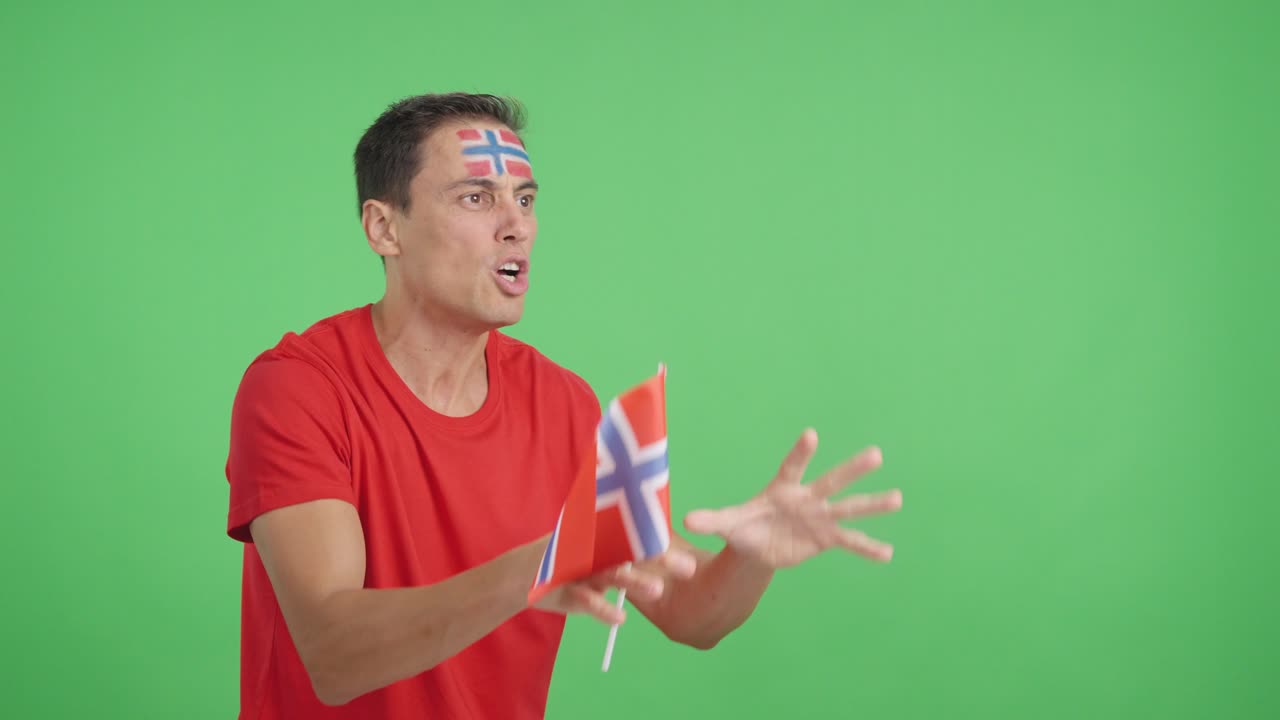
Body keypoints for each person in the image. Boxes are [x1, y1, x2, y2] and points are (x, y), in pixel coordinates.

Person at [224, 92, 903, 719]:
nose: (517, 226)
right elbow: (334, 656)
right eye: (475, 199)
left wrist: (751, 557)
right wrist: (540, 566)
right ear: (384, 228)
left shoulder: (563, 404)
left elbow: (689, 615)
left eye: (525, 198)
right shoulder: (297, 388)